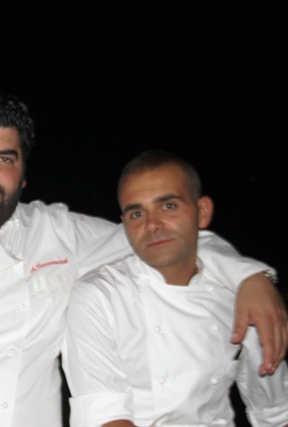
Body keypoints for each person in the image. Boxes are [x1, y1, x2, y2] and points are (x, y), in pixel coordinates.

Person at [0, 90, 286, 427]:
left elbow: (161, 235)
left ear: (24, 173)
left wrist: (251, 277)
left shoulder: (56, 232)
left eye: (6, 159)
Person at [62, 150, 288, 427]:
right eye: (137, 213)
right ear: (124, 224)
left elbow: (276, 411)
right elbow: (104, 418)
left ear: (202, 212)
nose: (152, 225)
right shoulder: (99, 296)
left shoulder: (239, 299)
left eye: (168, 206)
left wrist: (254, 278)